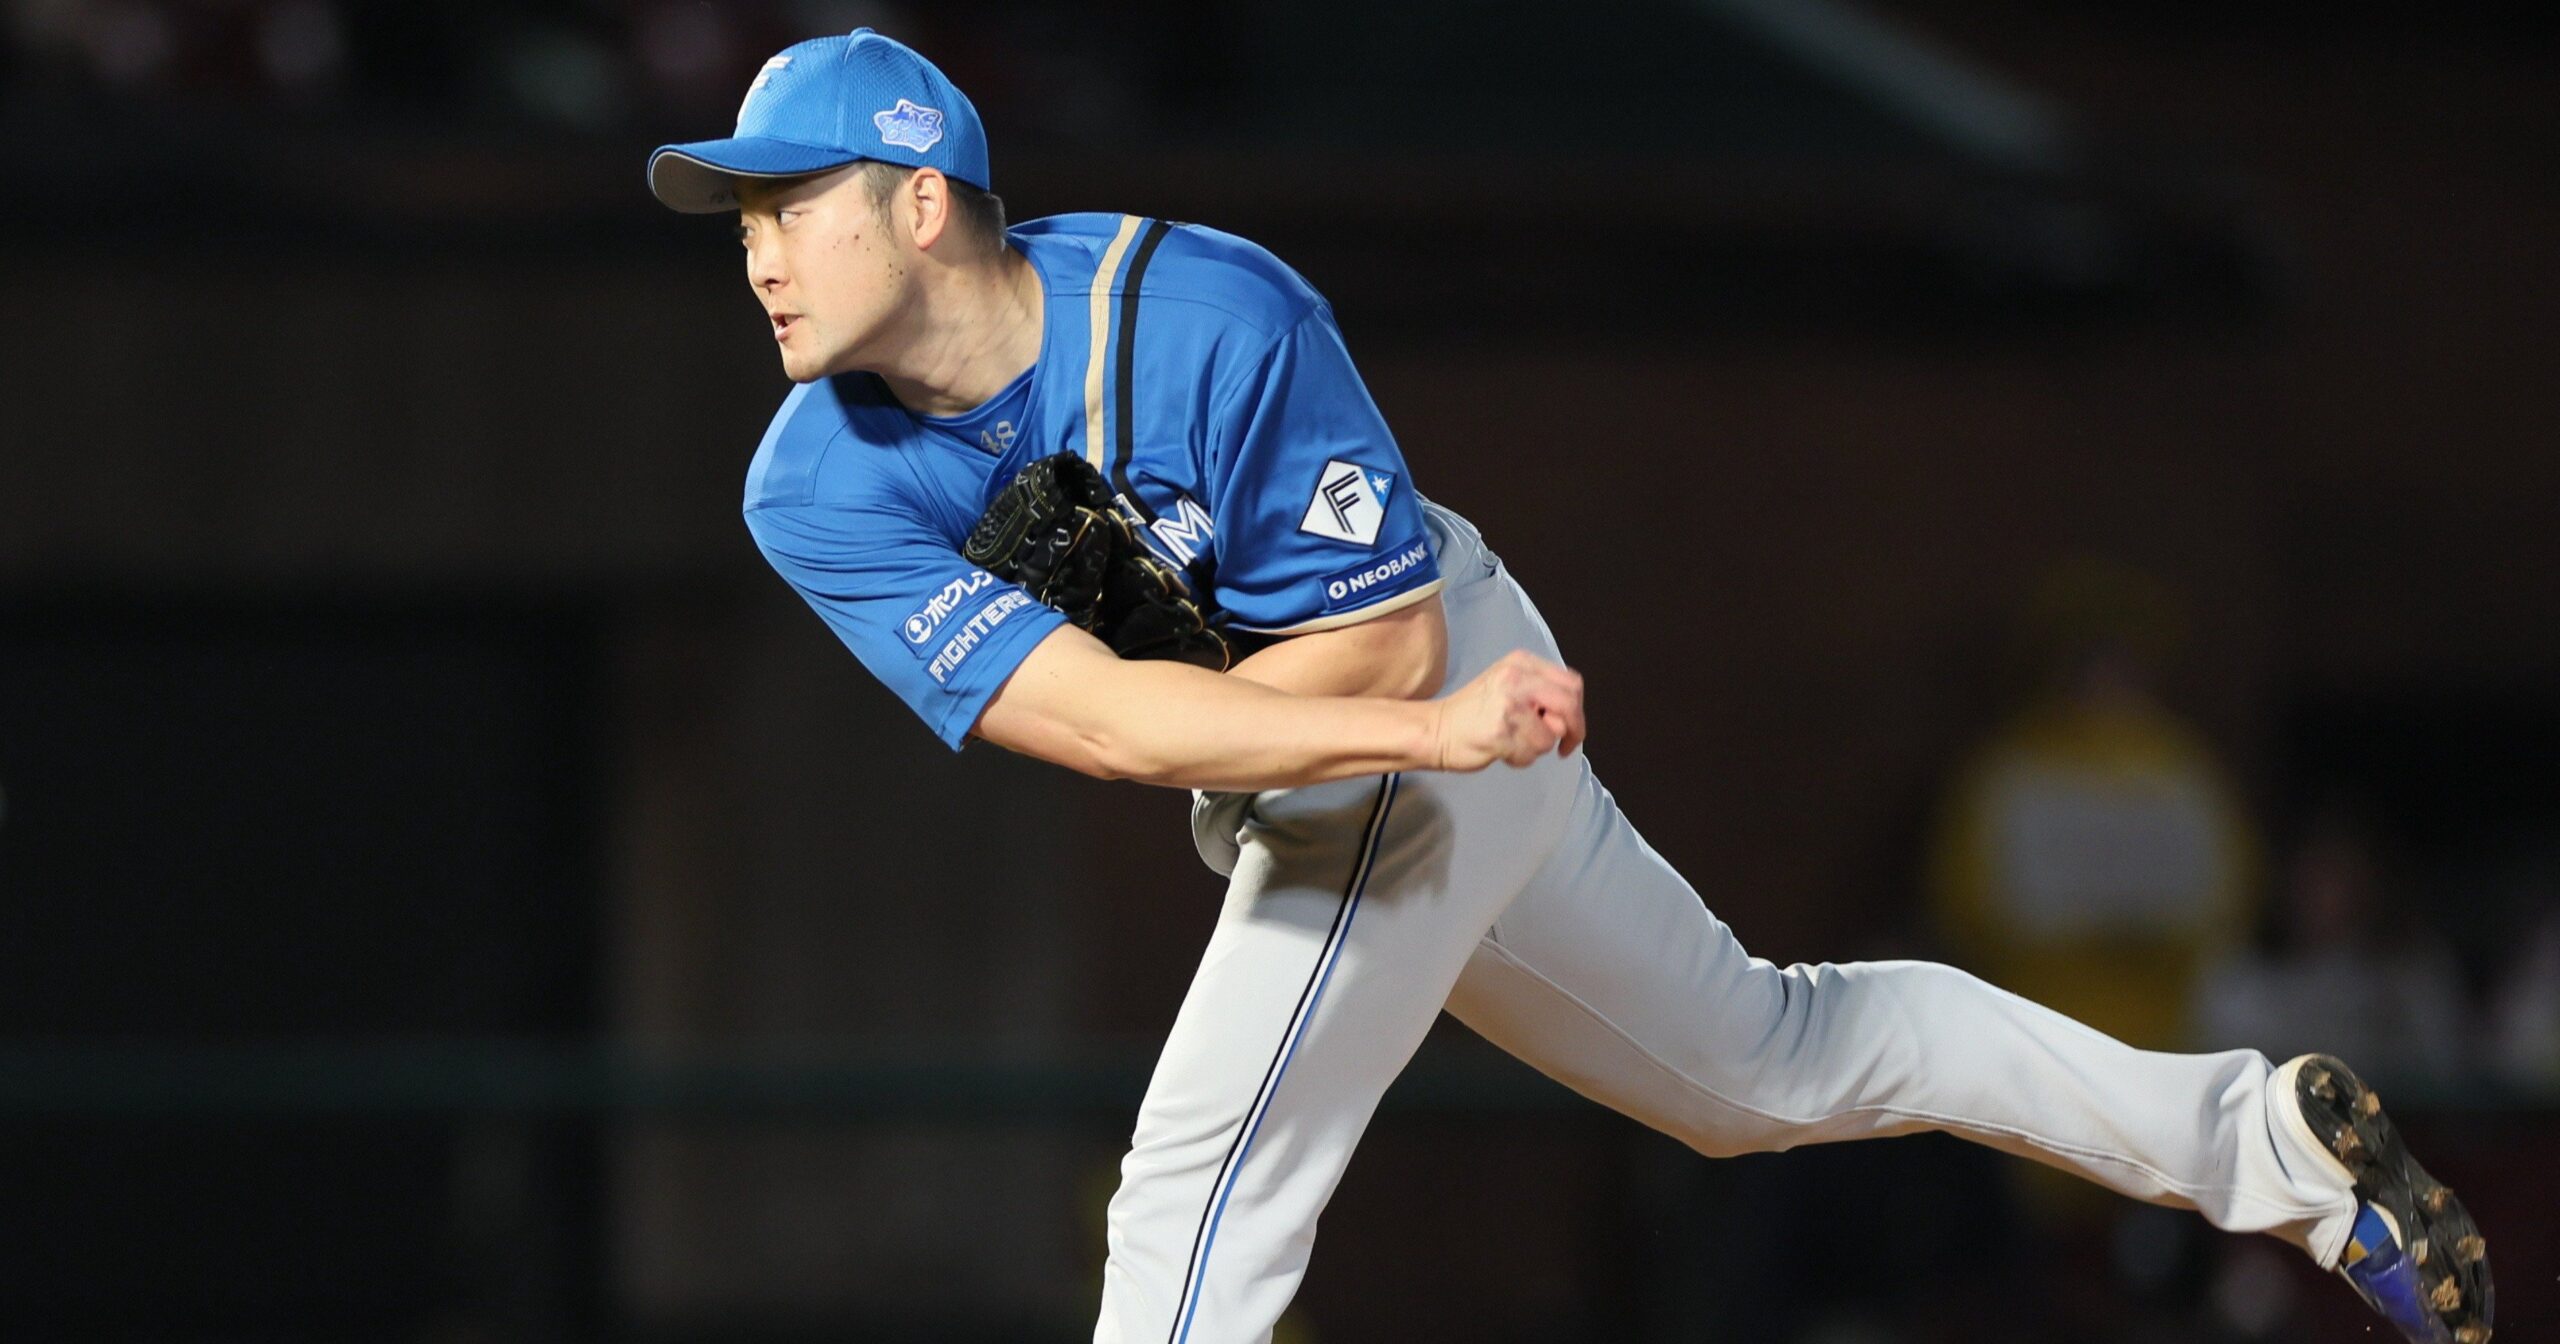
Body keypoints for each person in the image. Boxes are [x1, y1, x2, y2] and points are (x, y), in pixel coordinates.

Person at [644, 29, 2492, 1344]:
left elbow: (1392, 648)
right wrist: (1410, 739)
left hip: (1436, 677)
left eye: (786, 202)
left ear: (920, 199)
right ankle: (2265, 1147)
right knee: (1765, 1068)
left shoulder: (1204, 315)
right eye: (736, 215)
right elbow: (1109, 725)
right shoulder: (813, 484)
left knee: (1193, 1195)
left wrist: (1430, 735)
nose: (755, 250)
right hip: (1389, 740)